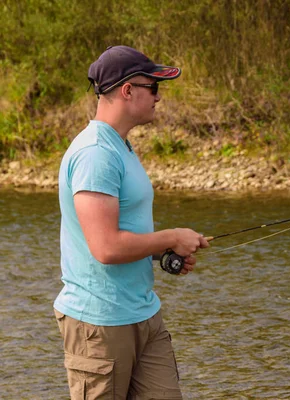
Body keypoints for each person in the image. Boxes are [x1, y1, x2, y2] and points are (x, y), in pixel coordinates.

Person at [53, 45, 210, 399]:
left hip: (143, 313)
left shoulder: (119, 145)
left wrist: (162, 251)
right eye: (153, 87)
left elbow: (124, 233)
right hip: (100, 324)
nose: (158, 97)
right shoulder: (95, 154)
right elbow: (106, 247)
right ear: (128, 90)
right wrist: (169, 235)